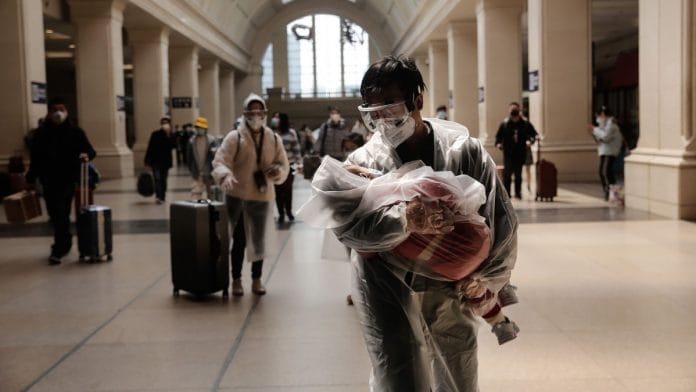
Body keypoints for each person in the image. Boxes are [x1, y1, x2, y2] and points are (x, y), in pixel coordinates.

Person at [328, 55, 518, 391]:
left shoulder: (465, 153)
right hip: (386, 287)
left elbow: (501, 220)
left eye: (389, 106)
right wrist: (403, 220)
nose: (382, 119)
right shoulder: (363, 162)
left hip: (450, 287)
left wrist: (487, 279)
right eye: (372, 111)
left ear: (417, 101)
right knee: (398, 376)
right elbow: (349, 230)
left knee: (456, 373)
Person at [212, 93, 289, 296]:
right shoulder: (235, 137)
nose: (256, 115)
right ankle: (236, 280)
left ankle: (257, 279)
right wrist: (225, 175)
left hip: (261, 197)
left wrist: (277, 172)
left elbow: (283, 163)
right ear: (245, 113)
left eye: (259, 111)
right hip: (237, 197)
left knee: (258, 241)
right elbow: (220, 161)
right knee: (238, 241)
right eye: (251, 111)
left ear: (265, 113)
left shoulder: (273, 138)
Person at [25, 97, 96, 265]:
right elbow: (36, 158)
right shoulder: (41, 134)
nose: (58, 113)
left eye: (62, 109)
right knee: (55, 214)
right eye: (55, 109)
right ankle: (64, 241)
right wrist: (30, 178)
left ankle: (59, 248)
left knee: (60, 213)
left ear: (66, 112)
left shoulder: (75, 132)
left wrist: (85, 155)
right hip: (48, 180)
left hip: (68, 178)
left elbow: (91, 151)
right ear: (49, 113)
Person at [495, 102, 538, 199]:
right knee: (508, 175)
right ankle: (507, 194)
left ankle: (518, 193)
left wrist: (530, 141)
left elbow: (534, 135)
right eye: (512, 112)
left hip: (520, 153)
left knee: (518, 174)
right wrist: (498, 143)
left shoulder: (525, 124)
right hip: (508, 153)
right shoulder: (505, 124)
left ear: (519, 112)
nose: (514, 116)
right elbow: (498, 136)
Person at [271, 112, 301, 224]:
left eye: (278, 118)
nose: (275, 119)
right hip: (276, 166)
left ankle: (288, 211)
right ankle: (281, 213)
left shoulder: (291, 133)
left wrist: (298, 163)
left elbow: (296, 149)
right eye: (275, 117)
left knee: (288, 190)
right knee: (278, 190)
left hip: (289, 164)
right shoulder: (271, 133)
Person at [590, 105, 622, 200]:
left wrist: (594, 129)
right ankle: (608, 191)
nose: (597, 119)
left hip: (610, 151)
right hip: (605, 151)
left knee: (607, 172)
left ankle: (612, 192)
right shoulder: (605, 125)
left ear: (603, 114)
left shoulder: (611, 125)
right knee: (602, 172)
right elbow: (601, 137)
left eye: (598, 116)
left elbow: (605, 136)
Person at [144, 117, 176, 204]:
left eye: (166, 123)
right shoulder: (155, 134)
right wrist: (146, 160)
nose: (164, 125)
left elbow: (174, 146)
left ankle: (163, 195)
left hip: (165, 162)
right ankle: (158, 196)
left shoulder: (171, 135)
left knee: (163, 179)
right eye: (163, 123)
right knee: (157, 179)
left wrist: (168, 135)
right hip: (155, 161)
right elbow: (150, 147)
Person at [187, 117, 217, 199]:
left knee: (211, 194)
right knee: (196, 194)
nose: (200, 129)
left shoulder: (211, 141)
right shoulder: (191, 141)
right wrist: (192, 169)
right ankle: (198, 209)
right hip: (196, 171)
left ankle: (210, 210)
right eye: (198, 127)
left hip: (208, 171)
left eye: (201, 128)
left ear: (205, 128)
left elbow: (216, 157)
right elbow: (189, 158)